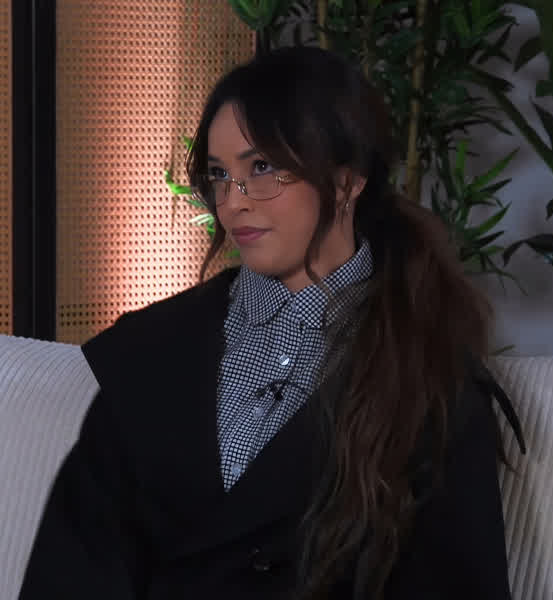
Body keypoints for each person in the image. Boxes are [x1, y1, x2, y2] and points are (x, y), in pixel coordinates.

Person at [19, 45, 525, 600]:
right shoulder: (148, 352)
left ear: (346, 180)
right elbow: (73, 563)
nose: (232, 203)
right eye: (219, 175)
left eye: (261, 168)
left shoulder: (430, 379)